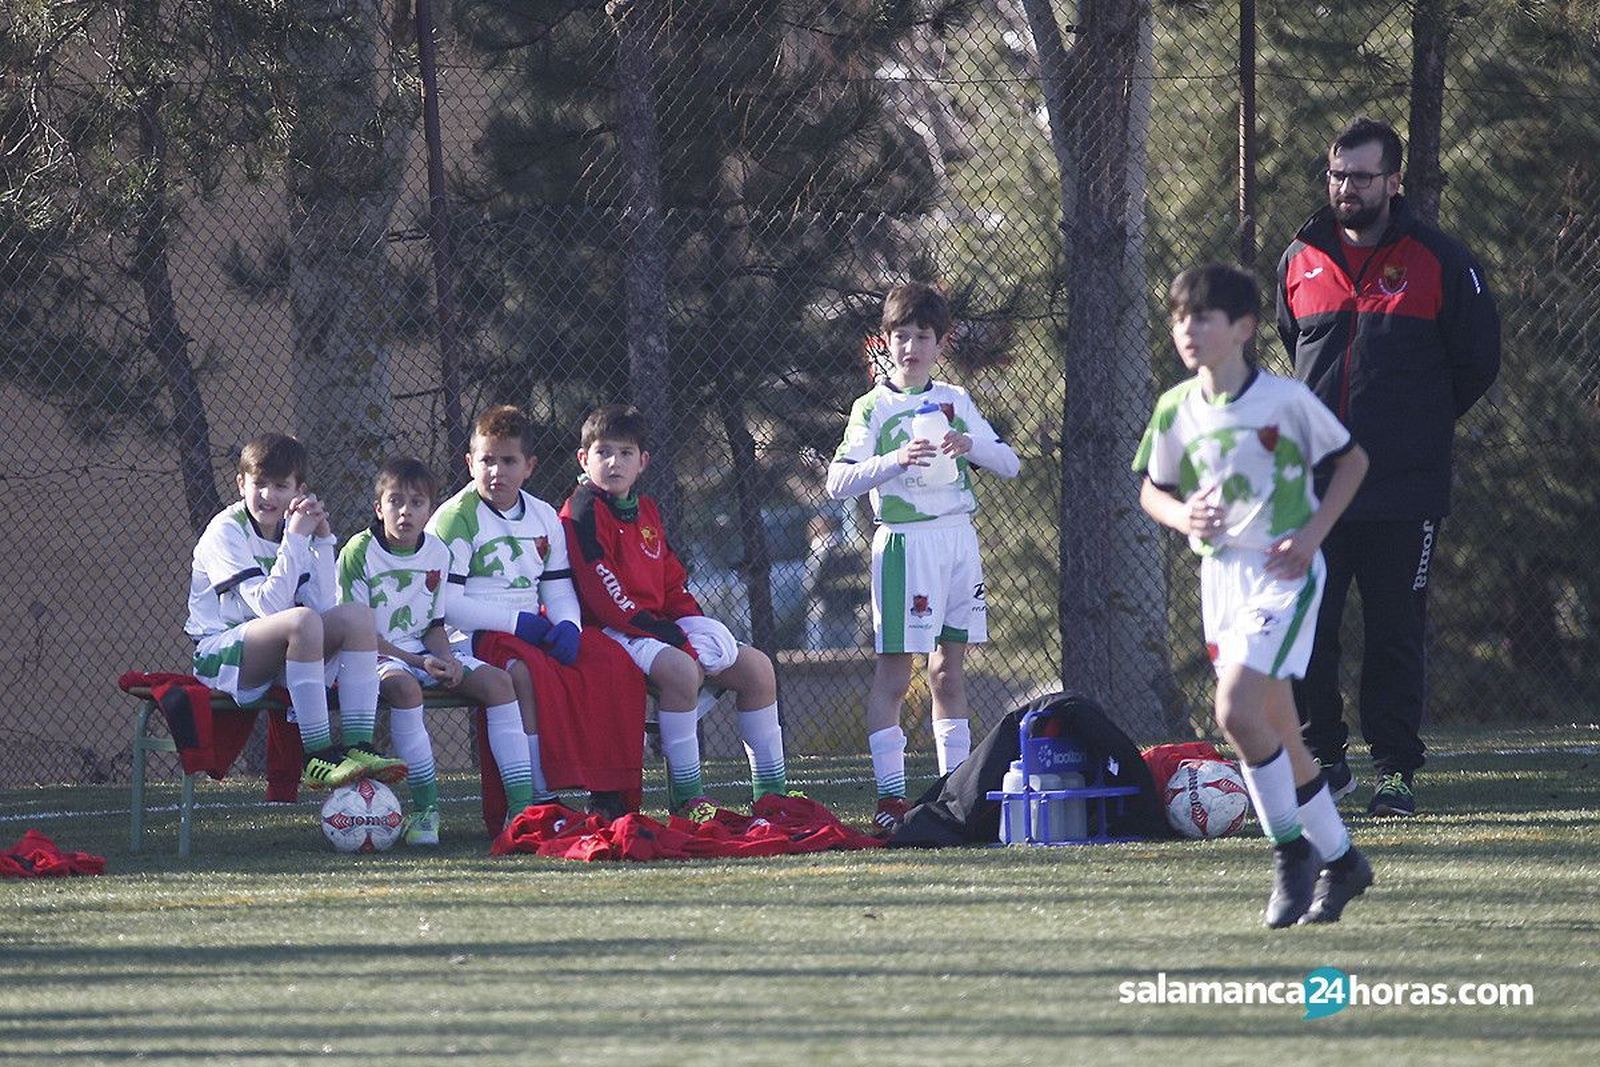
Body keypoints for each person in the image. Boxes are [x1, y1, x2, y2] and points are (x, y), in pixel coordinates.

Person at [1135, 262, 1373, 926]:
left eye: (1202, 316)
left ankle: (1289, 855)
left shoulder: (1286, 401)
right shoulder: (1175, 408)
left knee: (1235, 712)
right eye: (1180, 316)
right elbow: (1152, 489)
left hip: (1284, 572)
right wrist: (1183, 516)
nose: (1188, 328)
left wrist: (1313, 534)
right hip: (1222, 578)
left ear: (1242, 328)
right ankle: (1345, 860)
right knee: (1277, 734)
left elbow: (1352, 461)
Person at [1278, 116, 1501, 816]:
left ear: (1394, 181)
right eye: (1338, 175)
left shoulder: (1439, 259)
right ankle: (1326, 761)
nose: (1348, 188)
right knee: (1306, 629)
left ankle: (1396, 771)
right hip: (1316, 492)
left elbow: (1477, 361)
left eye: (1363, 176)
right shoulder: (1300, 257)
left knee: (1394, 634)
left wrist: (1415, 432)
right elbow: (1296, 348)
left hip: (1403, 492)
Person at [825, 281, 1021, 835]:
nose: (911, 348)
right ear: (884, 341)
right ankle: (889, 799)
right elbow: (838, 480)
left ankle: (953, 794)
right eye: (901, 336)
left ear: (942, 343)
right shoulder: (873, 406)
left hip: (958, 540)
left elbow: (1009, 463)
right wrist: (892, 460)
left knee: (948, 672)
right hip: (905, 546)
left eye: (923, 337)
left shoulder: (955, 400)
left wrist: (969, 445)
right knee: (895, 673)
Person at [560, 403, 790, 818]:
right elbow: (602, 593)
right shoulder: (581, 512)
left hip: (655, 627)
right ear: (584, 458)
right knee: (682, 670)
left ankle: (772, 796)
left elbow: (670, 580)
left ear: (643, 461)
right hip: (612, 631)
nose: (614, 462)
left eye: (626, 453)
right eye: (604, 452)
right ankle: (687, 800)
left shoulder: (646, 509)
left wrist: (695, 624)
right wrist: (669, 634)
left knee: (758, 670)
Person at [185, 433, 406, 791]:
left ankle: (358, 746)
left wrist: (322, 540)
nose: (269, 495)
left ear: (298, 490)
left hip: (286, 651)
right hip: (223, 657)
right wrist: (298, 540)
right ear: (241, 484)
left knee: (359, 617)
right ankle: (317, 755)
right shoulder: (226, 530)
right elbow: (269, 607)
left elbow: (324, 608)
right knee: (301, 621)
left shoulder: (294, 529)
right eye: (259, 484)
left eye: (280, 485)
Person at [424, 405, 612, 823]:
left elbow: (558, 584)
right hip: (467, 637)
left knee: (607, 664)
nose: (497, 471)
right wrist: (516, 623)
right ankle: (534, 798)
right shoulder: (456, 517)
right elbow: (446, 604)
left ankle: (607, 792)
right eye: (487, 460)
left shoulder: (544, 515)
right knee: (522, 672)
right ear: (470, 462)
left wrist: (568, 625)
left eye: (508, 461)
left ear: (529, 466)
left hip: (532, 632)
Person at [337, 457, 527, 846]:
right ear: (379, 507)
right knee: (406, 689)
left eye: (417, 502)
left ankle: (523, 813)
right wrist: (417, 661)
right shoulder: (359, 551)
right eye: (395, 501)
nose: (405, 511)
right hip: (370, 657)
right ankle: (426, 813)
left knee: (500, 683)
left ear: (429, 510)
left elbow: (435, 627)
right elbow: (357, 635)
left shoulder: (438, 553)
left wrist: (450, 659)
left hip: (419, 654)